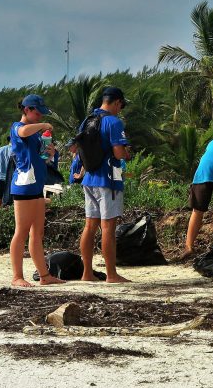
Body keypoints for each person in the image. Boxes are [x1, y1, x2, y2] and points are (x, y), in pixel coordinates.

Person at [9, 94, 65, 288]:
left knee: (37, 232)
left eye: (42, 113)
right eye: (38, 112)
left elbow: (40, 158)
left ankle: (44, 275)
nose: (40, 115)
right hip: (24, 186)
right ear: (27, 110)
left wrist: (50, 154)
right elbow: (22, 132)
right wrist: (43, 126)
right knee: (21, 231)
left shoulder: (35, 134)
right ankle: (17, 276)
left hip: (37, 185)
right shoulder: (18, 128)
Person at [78, 86, 131, 283]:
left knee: (90, 226)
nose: (120, 109)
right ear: (117, 102)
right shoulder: (114, 122)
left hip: (89, 178)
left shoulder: (87, 120)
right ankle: (111, 274)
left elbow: (76, 148)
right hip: (108, 180)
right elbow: (118, 154)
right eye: (121, 105)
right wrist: (126, 152)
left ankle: (86, 273)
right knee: (108, 227)